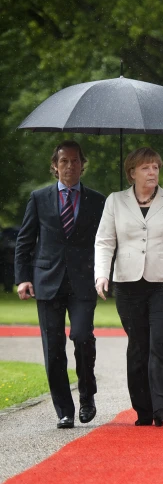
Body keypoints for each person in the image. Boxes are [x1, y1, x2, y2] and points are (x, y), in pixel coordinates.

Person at [94, 147, 163, 427]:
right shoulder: (115, 202)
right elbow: (105, 241)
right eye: (145, 168)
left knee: (160, 343)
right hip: (128, 284)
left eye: (155, 167)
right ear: (132, 173)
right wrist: (101, 275)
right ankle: (143, 408)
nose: (152, 172)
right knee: (138, 347)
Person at [14, 141, 105, 428]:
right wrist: (23, 277)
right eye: (64, 161)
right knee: (53, 349)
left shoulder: (97, 200)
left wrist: (105, 273)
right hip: (47, 282)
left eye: (75, 161)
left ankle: (87, 393)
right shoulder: (39, 198)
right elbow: (25, 241)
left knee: (81, 337)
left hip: (83, 282)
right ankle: (64, 410)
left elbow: (105, 242)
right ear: (55, 165)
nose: (69, 166)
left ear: (82, 164)